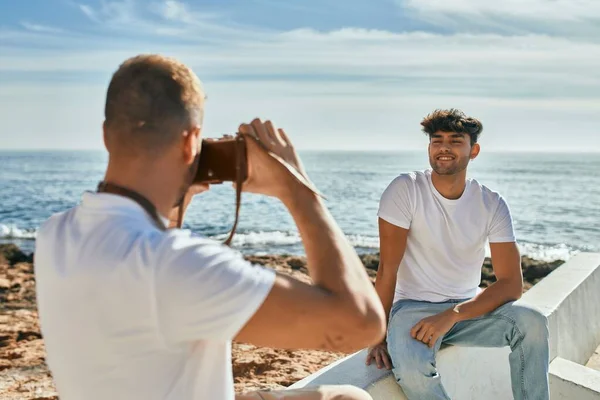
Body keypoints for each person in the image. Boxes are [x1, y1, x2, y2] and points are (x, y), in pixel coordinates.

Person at [34, 54, 386, 400]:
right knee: (351, 399)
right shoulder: (177, 265)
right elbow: (362, 325)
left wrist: (177, 198)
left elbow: (140, 292)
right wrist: (297, 189)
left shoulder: (55, 234)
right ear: (191, 142)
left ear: (106, 135)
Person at [365, 109, 550, 400]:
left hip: (468, 310)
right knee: (413, 371)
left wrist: (452, 315)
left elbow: (511, 284)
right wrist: (376, 337)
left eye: (455, 141)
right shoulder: (406, 190)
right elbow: (387, 269)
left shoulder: (491, 203)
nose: (444, 148)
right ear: (429, 148)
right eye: (437, 140)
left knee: (533, 323)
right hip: (412, 310)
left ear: (473, 150)